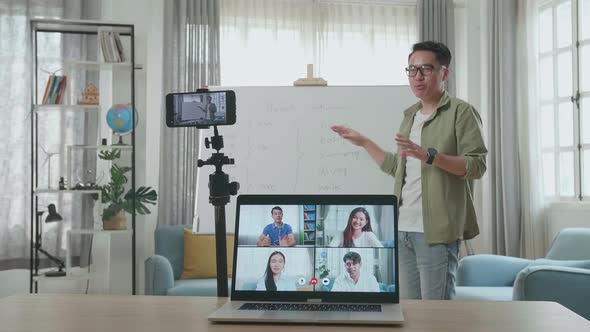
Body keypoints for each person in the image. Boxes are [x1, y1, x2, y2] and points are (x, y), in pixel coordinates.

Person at [331, 41, 487, 300]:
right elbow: (398, 167)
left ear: (444, 73)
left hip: (436, 232)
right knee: (409, 312)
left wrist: (430, 156)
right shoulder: (410, 116)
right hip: (402, 229)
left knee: (436, 315)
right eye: (412, 70)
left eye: (425, 69)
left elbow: (476, 166)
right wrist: (364, 142)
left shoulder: (461, 112)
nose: (417, 77)